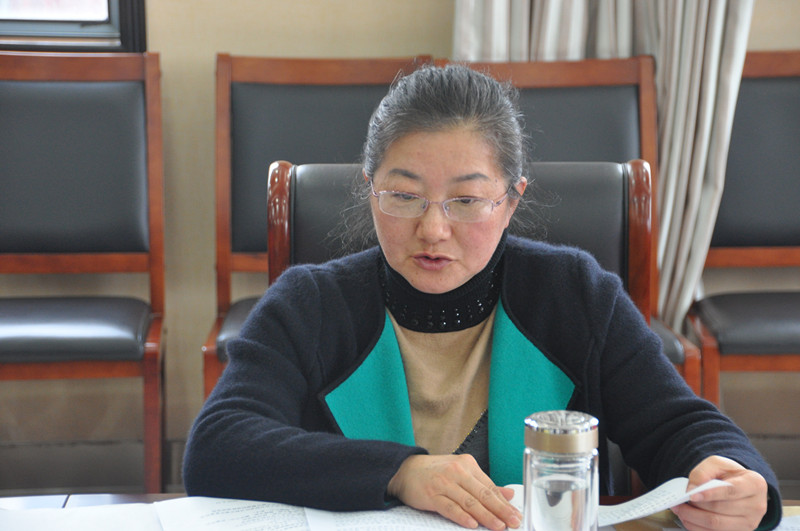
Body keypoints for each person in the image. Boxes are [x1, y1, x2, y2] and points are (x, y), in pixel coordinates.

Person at [183, 64, 781, 531]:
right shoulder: (309, 304)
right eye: (404, 196)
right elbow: (217, 447)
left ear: (511, 200)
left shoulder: (575, 295)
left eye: (466, 201)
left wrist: (736, 478)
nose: (433, 229)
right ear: (370, 190)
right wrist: (400, 472)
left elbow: (680, 425)